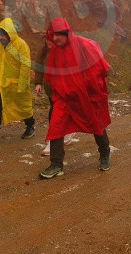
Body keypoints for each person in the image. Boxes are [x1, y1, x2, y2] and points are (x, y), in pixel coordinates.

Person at [39, 18, 112, 179]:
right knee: (56, 125)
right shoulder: (56, 51)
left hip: (85, 95)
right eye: (53, 35)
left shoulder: (84, 45)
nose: (55, 38)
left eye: (58, 35)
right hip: (64, 96)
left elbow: (100, 67)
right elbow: (51, 73)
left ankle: (105, 153)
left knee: (96, 123)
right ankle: (56, 164)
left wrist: (92, 89)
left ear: (66, 33)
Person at [0, 18, 34, 143]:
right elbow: (0, 64)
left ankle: (30, 125)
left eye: (4, 34)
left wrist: (22, 84)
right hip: (3, 84)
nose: (1, 37)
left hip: (16, 83)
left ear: (10, 33)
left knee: (22, 107)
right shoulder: (1, 46)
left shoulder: (20, 44)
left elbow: (25, 64)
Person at [33, 35, 77, 156]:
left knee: (55, 114)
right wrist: (38, 83)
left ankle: (54, 139)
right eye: (47, 39)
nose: (48, 42)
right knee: (57, 112)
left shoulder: (63, 52)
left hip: (62, 90)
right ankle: (62, 134)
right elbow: (39, 68)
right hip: (50, 90)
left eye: (51, 39)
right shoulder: (43, 52)